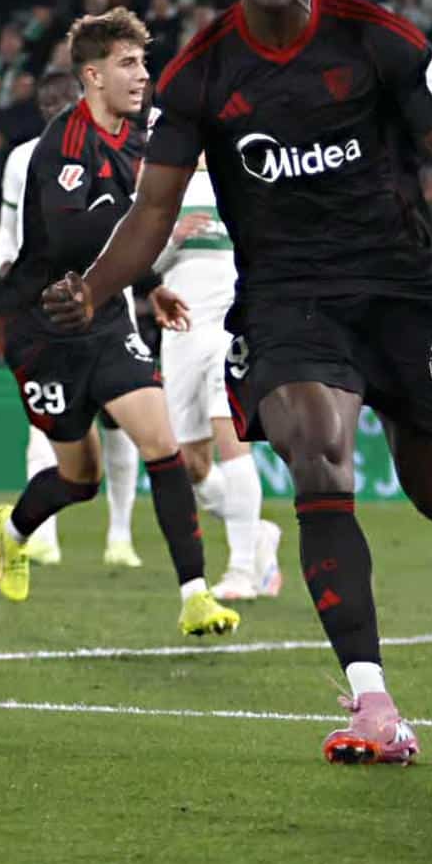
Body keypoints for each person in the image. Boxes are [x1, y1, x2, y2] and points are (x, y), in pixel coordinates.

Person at [43, 0, 432, 765]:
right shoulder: (201, 72)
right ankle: (373, 702)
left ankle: (414, 411)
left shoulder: (378, 39)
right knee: (317, 453)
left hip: (402, 289)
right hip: (290, 299)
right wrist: (96, 289)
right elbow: (151, 211)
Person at [0, 10, 240, 640]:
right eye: (129, 64)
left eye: (144, 63)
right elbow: (74, 235)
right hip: (43, 327)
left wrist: (149, 285)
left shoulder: (136, 134)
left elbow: (119, 243)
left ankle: (195, 595)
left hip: (101, 318)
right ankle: (13, 532)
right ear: (93, 76)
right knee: (81, 480)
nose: (143, 75)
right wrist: (150, 230)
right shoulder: (65, 146)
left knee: (162, 446)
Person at [0, 69, 143, 569]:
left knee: (120, 421)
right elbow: (7, 231)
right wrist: (9, 271)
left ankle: (120, 536)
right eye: (49, 107)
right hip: (45, 306)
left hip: (107, 299)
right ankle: (43, 537)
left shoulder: (113, 151)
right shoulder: (23, 158)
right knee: (47, 424)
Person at [151, 150, 285, 601]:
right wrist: (172, 238)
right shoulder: (160, 187)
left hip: (231, 332)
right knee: (191, 464)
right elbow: (141, 267)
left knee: (233, 441)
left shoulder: (245, 180)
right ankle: (258, 533)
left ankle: (242, 570)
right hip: (180, 335)